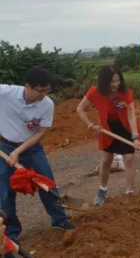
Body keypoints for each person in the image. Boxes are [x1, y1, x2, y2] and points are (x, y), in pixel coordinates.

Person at [0, 66, 75, 242]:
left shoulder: (47, 104)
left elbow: (41, 132)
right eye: (40, 91)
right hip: (4, 147)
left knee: (46, 182)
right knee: (5, 192)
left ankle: (59, 219)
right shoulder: (6, 93)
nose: (43, 95)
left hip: (31, 148)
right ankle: (10, 233)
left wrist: (18, 151)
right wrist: (12, 151)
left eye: (47, 90)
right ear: (28, 86)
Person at [76, 65, 140, 206]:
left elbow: (131, 115)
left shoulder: (125, 93)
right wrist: (90, 125)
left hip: (125, 128)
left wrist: (135, 136)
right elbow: (80, 109)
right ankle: (103, 189)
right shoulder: (94, 92)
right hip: (106, 128)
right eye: (112, 81)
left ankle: (129, 193)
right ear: (103, 81)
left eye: (117, 81)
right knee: (107, 159)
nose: (115, 84)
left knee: (130, 159)